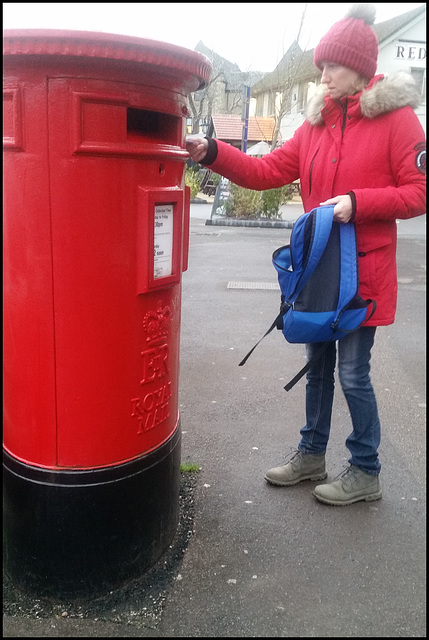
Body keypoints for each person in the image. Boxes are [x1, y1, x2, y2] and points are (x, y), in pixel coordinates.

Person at [186, 4, 426, 506]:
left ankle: (366, 469)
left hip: (364, 273)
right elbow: (266, 169)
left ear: (358, 67)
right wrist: (210, 151)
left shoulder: (399, 121)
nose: (322, 75)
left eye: (330, 66)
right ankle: (311, 454)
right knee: (318, 363)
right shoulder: (314, 125)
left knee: (353, 372)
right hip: (319, 271)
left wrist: (359, 203)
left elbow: (420, 191)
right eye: (320, 66)